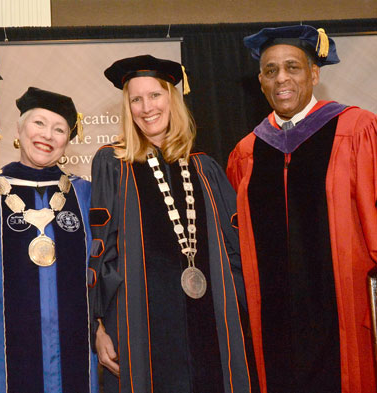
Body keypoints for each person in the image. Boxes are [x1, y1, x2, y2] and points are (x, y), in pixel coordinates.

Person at [89, 54, 257, 393]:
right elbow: (100, 249)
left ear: (172, 99)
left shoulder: (204, 167)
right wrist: (98, 325)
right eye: (136, 99)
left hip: (208, 319)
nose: (146, 107)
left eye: (155, 95)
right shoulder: (113, 162)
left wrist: (242, 309)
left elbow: (235, 247)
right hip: (140, 322)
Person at [226, 25, 377, 393]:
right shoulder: (247, 152)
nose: (282, 78)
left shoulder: (356, 129)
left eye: (292, 67)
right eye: (271, 70)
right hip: (273, 316)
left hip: (342, 307)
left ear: (314, 73)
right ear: (260, 81)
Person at [0, 87, 98, 393]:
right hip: (2, 352)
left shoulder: (85, 194)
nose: (48, 135)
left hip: (78, 352)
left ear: (67, 141)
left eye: (59, 129)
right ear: (19, 128)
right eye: (39, 124)